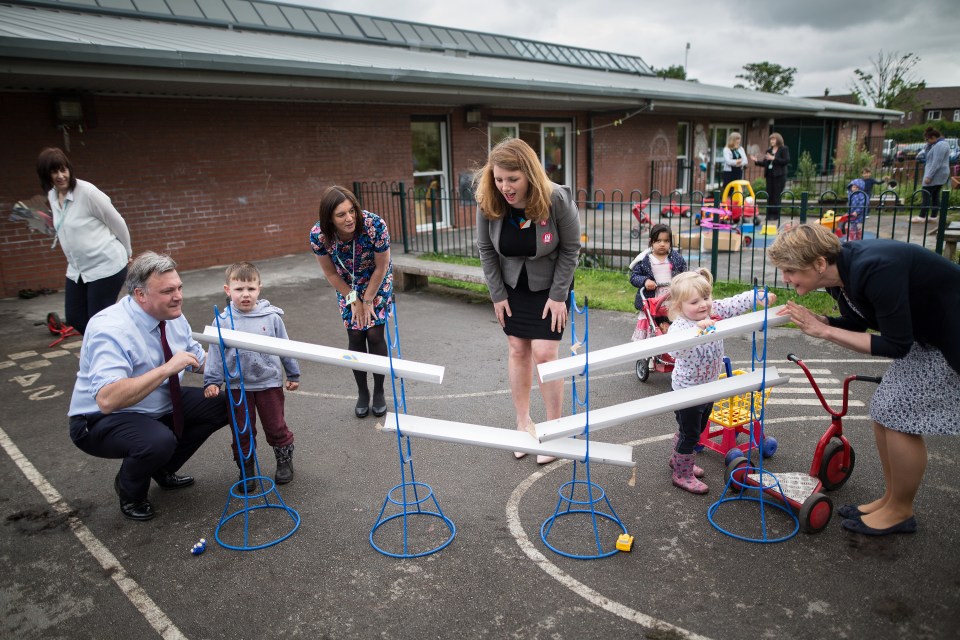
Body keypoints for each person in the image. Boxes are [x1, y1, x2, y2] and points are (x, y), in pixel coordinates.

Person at [768, 224, 960, 536]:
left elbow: (896, 344)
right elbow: (861, 321)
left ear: (818, 264)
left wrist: (826, 331)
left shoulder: (875, 268)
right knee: (885, 410)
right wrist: (825, 320)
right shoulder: (838, 275)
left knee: (900, 416)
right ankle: (891, 500)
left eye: (790, 270)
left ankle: (900, 511)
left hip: (947, 338)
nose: (786, 278)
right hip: (925, 336)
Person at [67, 252, 229, 521]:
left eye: (179, 288)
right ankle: (130, 492)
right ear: (140, 295)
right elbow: (108, 399)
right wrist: (167, 369)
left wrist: (245, 365)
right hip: (100, 419)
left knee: (223, 405)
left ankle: (161, 468)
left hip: (156, 402)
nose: (178, 296)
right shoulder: (110, 328)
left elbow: (198, 360)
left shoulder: (172, 314)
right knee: (157, 441)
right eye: (167, 291)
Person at [475, 138, 581, 465]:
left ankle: (553, 428)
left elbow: (571, 248)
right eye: (499, 178)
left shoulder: (556, 198)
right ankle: (523, 424)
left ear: (529, 175)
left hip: (551, 285)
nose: (505, 186)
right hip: (511, 287)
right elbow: (486, 250)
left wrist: (559, 296)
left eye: (513, 179)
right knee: (518, 349)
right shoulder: (487, 200)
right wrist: (497, 295)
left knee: (546, 353)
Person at [666, 269, 776, 494]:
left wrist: (756, 298)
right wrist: (695, 331)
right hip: (687, 391)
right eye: (695, 301)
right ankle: (682, 473)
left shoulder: (712, 312)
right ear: (678, 307)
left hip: (709, 387)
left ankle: (678, 459)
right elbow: (673, 351)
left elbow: (734, 303)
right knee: (691, 434)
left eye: (706, 298)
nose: (704, 305)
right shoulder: (681, 326)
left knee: (698, 427)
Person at [204, 262, 300, 486]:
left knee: (276, 426)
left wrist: (293, 374)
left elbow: (285, 347)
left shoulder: (271, 317)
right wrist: (212, 381)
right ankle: (247, 470)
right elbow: (216, 354)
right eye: (239, 289)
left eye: (250, 288)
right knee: (242, 430)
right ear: (228, 290)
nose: (245, 294)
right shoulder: (223, 321)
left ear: (259, 289)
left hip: (269, 384)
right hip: (238, 387)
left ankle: (284, 461)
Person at [310, 186, 393, 419]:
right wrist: (353, 299)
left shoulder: (375, 225)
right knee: (356, 334)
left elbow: (382, 266)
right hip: (347, 284)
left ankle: (378, 390)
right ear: (329, 218)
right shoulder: (319, 235)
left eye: (351, 211)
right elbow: (331, 274)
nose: (349, 219)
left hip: (376, 279)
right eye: (341, 215)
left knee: (375, 334)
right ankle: (362, 392)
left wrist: (367, 299)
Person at [37, 147, 133, 335]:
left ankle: (111, 355)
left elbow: (117, 222)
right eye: (54, 171)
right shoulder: (52, 195)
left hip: (106, 265)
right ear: (46, 175)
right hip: (78, 269)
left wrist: (128, 252)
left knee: (98, 321)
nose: (60, 176)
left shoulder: (87, 192)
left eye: (63, 170)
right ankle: (111, 343)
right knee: (76, 318)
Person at [629, 223, 686, 341]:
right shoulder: (645, 260)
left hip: (671, 298)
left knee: (672, 323)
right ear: (651, 242)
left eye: (666, 241)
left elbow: (684, 273)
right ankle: (648, 351)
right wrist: (645, 281)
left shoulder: (676, 258)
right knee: (651, 325)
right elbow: (634, 277)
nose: (662, 244)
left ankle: (670, 349)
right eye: (658, 241)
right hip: (652, 299)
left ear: (670, 242)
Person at [912, 126, 950, 224]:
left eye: (927, 139)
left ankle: (922, 216)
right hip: (939, 174)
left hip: (936, 174)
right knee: (935, 195)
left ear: (933, 137)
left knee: (926, 194)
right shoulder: (937, 144)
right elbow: (927, 153)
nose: (926, 141)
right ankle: (933, 216)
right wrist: (927, 145)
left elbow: (937, 162)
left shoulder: (941, 145)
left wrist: (929, 176)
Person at [749, 133, 790, 221]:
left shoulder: (783, 149)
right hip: (770, 175)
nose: (771, 141)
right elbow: (765, 163)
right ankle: (769, 214)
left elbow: (786, 161)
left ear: (778, 140)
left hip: (779, 176)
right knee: (769, 195)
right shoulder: (769, 150)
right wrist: (756, 161)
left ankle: (775, 215)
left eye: (773, 139)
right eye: (771, 139)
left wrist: (773, 159)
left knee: (776, 195)